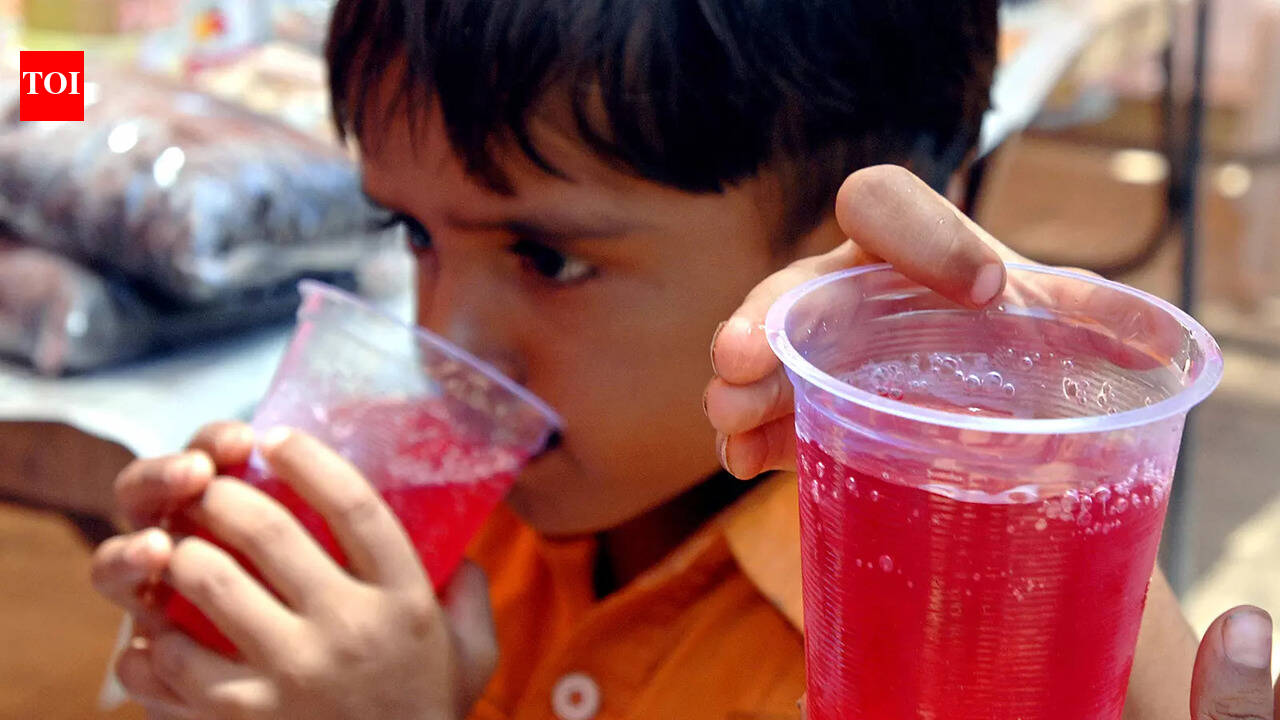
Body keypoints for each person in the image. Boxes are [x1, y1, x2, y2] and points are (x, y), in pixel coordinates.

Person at [86, 1, 1246, 718]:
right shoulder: (454, 533)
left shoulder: (936, 642)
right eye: (413, 234)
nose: (447, 341)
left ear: (840, 260)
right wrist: (229, 650)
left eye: (546, 257)